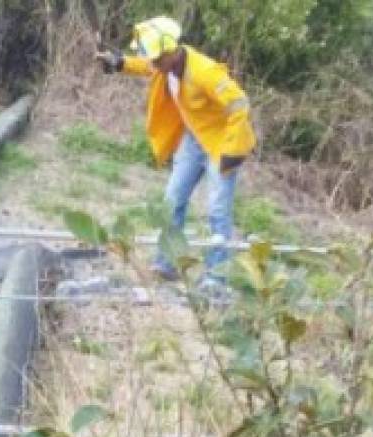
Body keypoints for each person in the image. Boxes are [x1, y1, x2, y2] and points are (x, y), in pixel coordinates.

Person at [97, 16, 256, 288]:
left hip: (221, 144)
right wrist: (120, 63)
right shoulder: (165, 65)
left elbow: (239, 104)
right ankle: (167, 262)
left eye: (157, 60)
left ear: (171, 52)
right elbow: (146, 66)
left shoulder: (204, 72)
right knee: (172, 201)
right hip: (194, 139)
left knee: (217, 210)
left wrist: (233, 147)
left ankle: (216, 277)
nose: (154, 65)